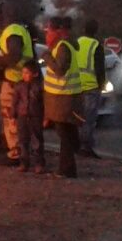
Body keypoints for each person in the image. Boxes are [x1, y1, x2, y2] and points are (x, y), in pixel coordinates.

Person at [0, 9, 43, 174]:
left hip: (15, 81)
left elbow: (14, 56)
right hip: (23, 80)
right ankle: (27, 154)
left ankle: (16, 153)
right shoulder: (20, 30)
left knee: (11, 116)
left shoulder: (12, 31)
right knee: (24, 120)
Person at [41, 16, 81, 177]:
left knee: (64, 135)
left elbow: (60, 70)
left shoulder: (62, 47)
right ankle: (68, 167)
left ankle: (66, 169)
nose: (47, 35)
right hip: (63, 99)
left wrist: (47, 56)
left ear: (58, 31)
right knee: (67, 134)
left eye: (48, 31)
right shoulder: (62, 46)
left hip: (64, 99)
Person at [75, 18, 105, 158]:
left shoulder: (77, 43)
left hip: (76, 85)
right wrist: (101, 84)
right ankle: (86, 147)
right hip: (91, 86)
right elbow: (100, 68)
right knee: (89, 119)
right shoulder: (96, 45)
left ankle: (75, 145)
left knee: (77, 118)